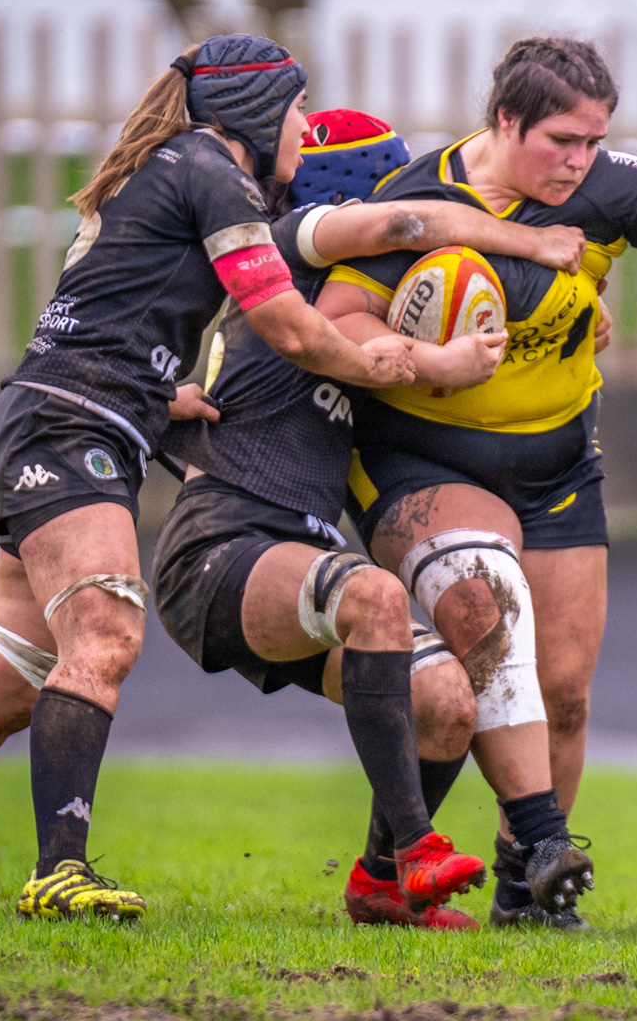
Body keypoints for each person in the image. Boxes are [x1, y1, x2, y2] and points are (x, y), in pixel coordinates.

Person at [0, 35, 422, 920]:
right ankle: (61, 871)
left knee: (11, 684)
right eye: (293, 108)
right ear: (251, 113)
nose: (303, 128)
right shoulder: (215, 170)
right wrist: (393, 366)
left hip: (58, 416)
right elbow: (285, 324)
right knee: (107, 628)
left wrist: (161, 396)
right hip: (65, 428)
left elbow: (107, 310)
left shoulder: (174, 164)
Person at [317, 37, 637, 928]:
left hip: (559, 463)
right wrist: (425, 357)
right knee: (493, 625)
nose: (579, 160)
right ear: (504, 119)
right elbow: (337, 330)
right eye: (562, 139)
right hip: (424, 458)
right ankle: (533, 841)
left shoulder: (600, 185)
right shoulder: (416, 201)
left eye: (595, 140)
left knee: (564, 688)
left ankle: (526, 894)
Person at [152, 109, 591, 930]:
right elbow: (400, 248)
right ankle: (419, 849)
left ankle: (380, 884)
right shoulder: (283, 260)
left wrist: (566, 319)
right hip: (221, 547)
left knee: (448, 701)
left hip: (299, 559)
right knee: (378, 598)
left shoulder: (382, 297)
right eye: (393, 182)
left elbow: (458, 315)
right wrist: (501, 281)